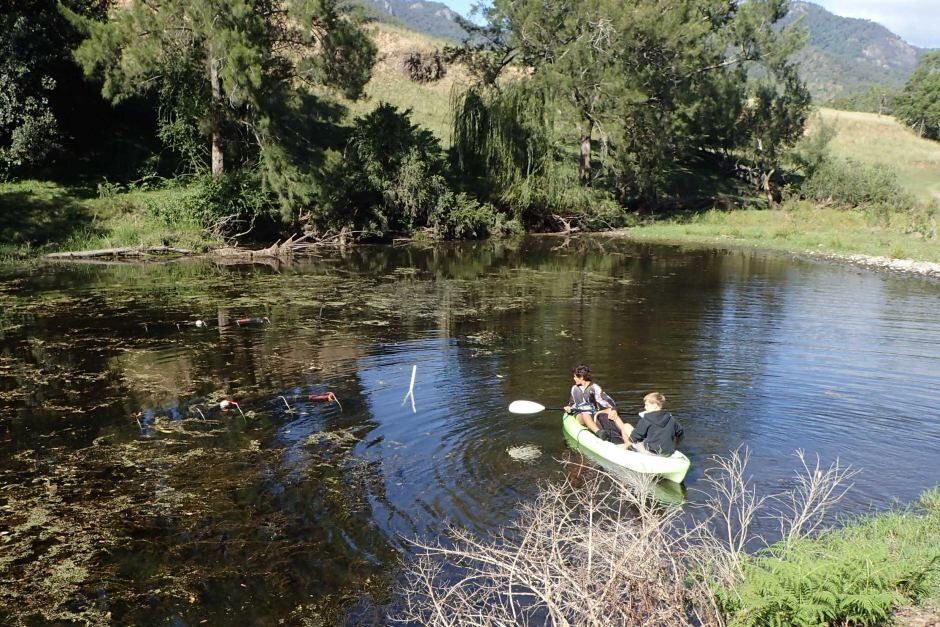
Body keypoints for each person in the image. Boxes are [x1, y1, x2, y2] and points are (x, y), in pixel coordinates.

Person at [564, 365, 631, 443]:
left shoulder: (594, 388)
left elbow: (607, 400)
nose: (574, 378)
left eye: (575, 377)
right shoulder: (574, 388)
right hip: (580, 414)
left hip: (593, 412)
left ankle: (626, 433)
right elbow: (572, 403)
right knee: (585, 413)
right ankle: (599, 433)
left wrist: (613, 409)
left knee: (610, 410)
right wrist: (568, 407)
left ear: (581, 377)